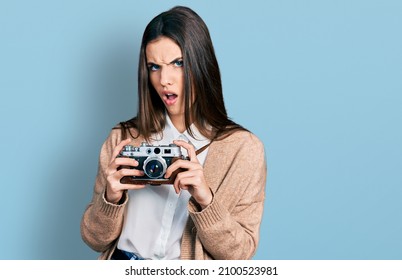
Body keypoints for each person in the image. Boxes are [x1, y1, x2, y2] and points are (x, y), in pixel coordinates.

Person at [81, 5, 267, 260]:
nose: (164, 79)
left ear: (201, 63)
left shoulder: (242, 149)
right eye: (154, 67)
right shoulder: (123, 138)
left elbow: (240, 253)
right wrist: (110, 200)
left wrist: (205, 199)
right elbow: (94, 239)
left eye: (178, 63)